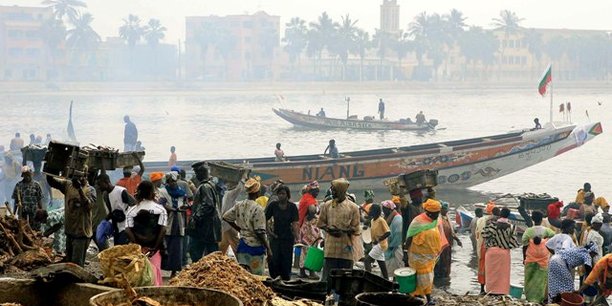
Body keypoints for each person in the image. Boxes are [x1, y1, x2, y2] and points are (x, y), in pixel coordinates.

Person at [317, 178, 360, 290]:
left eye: (334, 190)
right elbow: (320, 223)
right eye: (332, 190)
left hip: (346, 250)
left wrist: (343, 231)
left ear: (342, 190)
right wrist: (328, 229)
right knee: (327, 281)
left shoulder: (353, 207)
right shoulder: (326, 205)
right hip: (330, 249)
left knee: (344, 283)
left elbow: (356, 229)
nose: (333, 192)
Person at [223, 177, 272, 275]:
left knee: (244, 277)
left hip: (242, 246)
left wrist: (239, 229)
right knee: (256, 278)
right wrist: (268, 248)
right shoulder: (258, 209)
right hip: (255, 247)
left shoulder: (239, 205)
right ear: (257, 193)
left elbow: (226, 217)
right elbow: (260, 231)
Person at [46, 172, 95, 267]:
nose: (75, 179)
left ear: (85, 176)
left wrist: (80, 189)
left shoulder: (90, 190)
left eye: (79, 177)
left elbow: (88, 205)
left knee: (76, 265)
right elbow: (52, 181)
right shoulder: (68, 185)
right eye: (74, 177)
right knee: (68, 262)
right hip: (70, 231)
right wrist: (50, 169)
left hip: (81, 233)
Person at [125, 180, 168, 286]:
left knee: (138, 275)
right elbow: (163, 230)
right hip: (154, 248)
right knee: (154, 272)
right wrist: (155, 248)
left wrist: (137, 246)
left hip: (137, 249)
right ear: (151, 193)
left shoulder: (132, 210)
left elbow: (127, 229)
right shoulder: (160, 209)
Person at [405, 199, 443, 304]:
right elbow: (409, 237)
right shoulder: (417, 221)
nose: (438, 215)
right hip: (417, 256)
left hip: (430, 257)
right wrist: (405, 252)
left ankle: (421, 296)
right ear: (429, 212)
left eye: (438, 213)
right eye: (436, 213)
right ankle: (425, 298)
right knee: (422, 277)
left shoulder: (434, 221)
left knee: (428, 277)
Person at [481, 207, 520, 295]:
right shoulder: (512, 227)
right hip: (504, 253)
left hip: (491, 252)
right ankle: (501, 292)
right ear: (508, 215)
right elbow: (514, 242)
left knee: (491, 274)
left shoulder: (492, 225)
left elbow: (484, 234)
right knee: (503, 275)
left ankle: (490, 291)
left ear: (500, 214)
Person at [188, 166, 222, 262]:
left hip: (204, 227)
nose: (195, 176)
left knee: (196, 251)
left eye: (196, 173)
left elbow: (208, 205)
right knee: (212, 253)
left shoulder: (205, 187)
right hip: (209, 227)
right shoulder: (210, 185)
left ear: (200, 174)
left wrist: (195, 217)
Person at [265, 185, 299, 280]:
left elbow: (295, 223)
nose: (281, 196)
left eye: (283, 193)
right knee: (274, 259)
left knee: (286, 260)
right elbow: (264, 219)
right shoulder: (273, 205)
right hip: (275, 238)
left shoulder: (292, 207)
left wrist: (297, 237)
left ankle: (285, 279)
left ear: (287, 195)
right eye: (279, 193)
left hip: (288, 238)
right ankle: (274, 278)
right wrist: (269, 232)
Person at [521, 211, 556, 303]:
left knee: (529, 278)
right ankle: (538, 299)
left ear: (532, 219)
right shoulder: (546, 231)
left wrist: (524, 257)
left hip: (531, 257)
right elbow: (553, 236)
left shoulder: (529, 231)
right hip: (543, 258)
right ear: (541, 220)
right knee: (541, 279)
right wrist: (544, 239)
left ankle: (529, 298)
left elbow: (524, 243)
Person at [158, 172, 188, 277]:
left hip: (179, 222)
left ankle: (174, 271)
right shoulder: (163, 192)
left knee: (176, 247)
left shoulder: (181, 192)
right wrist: (174, 209)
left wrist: (185, 207)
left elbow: (185, 203)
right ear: (167, 182)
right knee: (165, 245)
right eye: (170, 181)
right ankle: (161, 269)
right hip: (167, 221)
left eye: (174, 181)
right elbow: (161, 204)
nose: (172, 183)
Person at [97, 173, 136, 248]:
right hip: (116, 228)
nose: (99, 187)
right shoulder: (105, 195)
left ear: (106, 181)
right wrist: (104, 223)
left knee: (121, 252)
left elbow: (134, 204)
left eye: (99, 184)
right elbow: (111, 212)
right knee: (117, 251)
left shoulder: (121, 191)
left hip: (125, 227)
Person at [475, 203, 499, 293]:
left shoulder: (481, 220)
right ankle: (492, 288)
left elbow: (478, 234)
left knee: (482, 267)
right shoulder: (494, 221)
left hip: (482, 245)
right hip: (491, 246)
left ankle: (482, 289)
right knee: (492, 267)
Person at [435, 202, 462, 279]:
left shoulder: (448, 218)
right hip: (440, 245)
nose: (446, 211)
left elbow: (452, 232)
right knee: (440, 261)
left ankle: (446, 275)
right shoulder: (438, 219)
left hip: (448, 245)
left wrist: (457, 240)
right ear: (441, 209)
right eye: (444, 209)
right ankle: (439, 276)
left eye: (447, 210)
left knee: (447, 261)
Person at [364, 203, 390, 279]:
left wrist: (379, 239)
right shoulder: (372, 220)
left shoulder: (381, 220)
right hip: (375, 244)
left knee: (367, 261)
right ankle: (387, 280)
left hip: (381, 244)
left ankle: (368, 279)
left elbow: (388, 232)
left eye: (371, 209)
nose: (370, 210)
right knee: (381, 264)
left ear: (375, 211)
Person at [219, 178, 244, 256]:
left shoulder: (226, 194)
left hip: (226, 225)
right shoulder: (229, 194)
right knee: (235, 246)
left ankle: (219, 260)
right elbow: (239, 189)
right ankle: (242, 262)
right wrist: (242, 179)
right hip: (228, 225)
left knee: (223, 246)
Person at [381, 200, 403, 277]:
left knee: (397, 270)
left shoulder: (398, 219)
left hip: (395, 248)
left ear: (390, 209)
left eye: (384, 209)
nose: (383, 211)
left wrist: (391, 246)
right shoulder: (390, 218)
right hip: (389, 248)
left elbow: (398, 234)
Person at [299, 205, 321, 279]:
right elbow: (303, 228)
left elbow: (317, 229)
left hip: (312, 240)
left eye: (313, 212)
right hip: (306, 240)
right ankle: (306, 273)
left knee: (310, 256)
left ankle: (309, 272)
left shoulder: (315, 219)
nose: (311, 214)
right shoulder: (306, 218)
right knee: (305, 256)